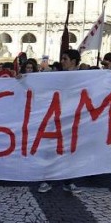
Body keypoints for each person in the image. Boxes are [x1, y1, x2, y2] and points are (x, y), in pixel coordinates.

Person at [36, 49, 83, 195]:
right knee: (52, 150)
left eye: (65, 59)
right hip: (55, 118)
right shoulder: (55, 76)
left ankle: (68, 181)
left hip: (73, 119)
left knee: (69, 151)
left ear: (73, 61)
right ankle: (47, 180)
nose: (62, 61)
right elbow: (38, 84)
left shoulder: (85, 76)